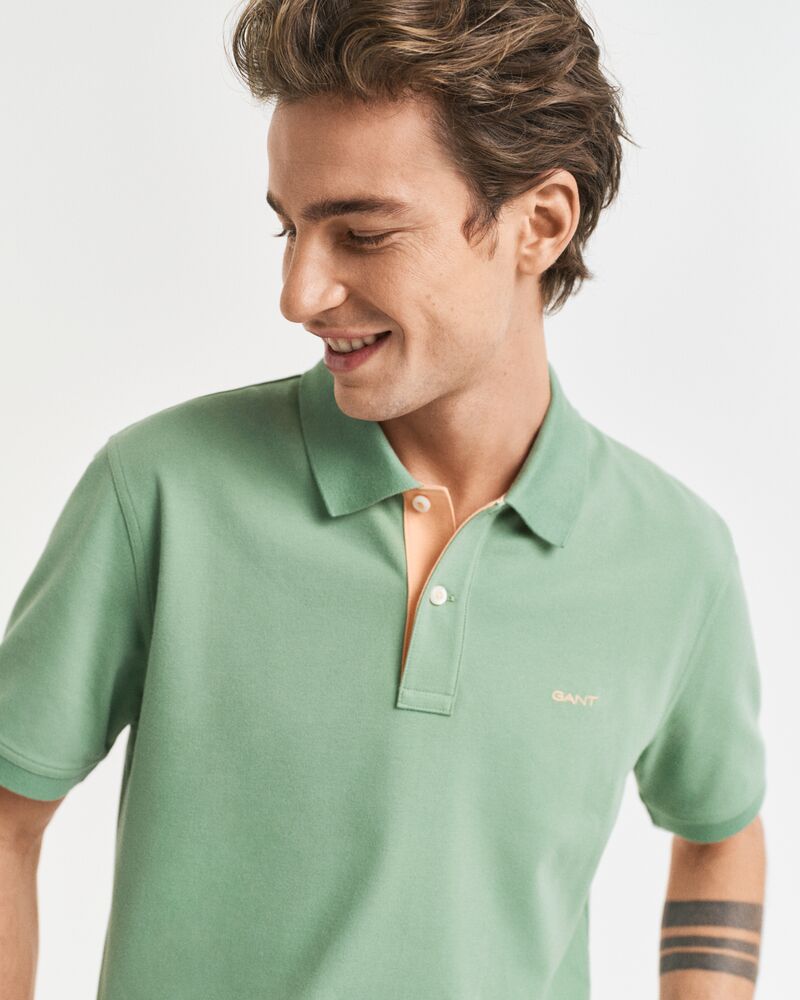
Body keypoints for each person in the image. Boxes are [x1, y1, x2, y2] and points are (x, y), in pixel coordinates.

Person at [0, 2, 767, 998]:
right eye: (289, 228)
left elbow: (719, 831)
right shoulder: (160, 491)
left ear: (539, 224)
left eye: (361, 233)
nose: (298, 293)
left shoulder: (673, 557)